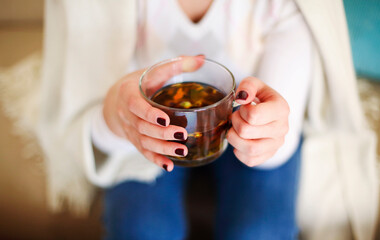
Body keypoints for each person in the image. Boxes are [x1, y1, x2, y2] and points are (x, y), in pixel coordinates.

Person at [38, 0, 378, 239]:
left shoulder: (286, 5)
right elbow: (85, 122)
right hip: (144, 138)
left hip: (249, 131)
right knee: (143, 229)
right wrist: (116, 114)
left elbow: (278, 139)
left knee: (259, 233)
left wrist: (267, 135)